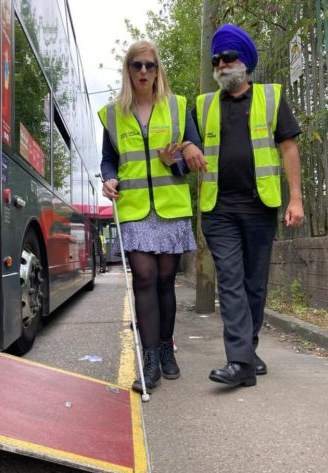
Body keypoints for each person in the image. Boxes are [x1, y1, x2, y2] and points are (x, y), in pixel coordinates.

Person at [195, 24, 304, 388]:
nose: (222, 64)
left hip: (260, 208)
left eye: (228, 57)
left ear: (244, 61)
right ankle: (239, 360)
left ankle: (249, 350)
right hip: (219, 209)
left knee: (254, 285)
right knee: (230, 283)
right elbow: (186, 147)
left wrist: (296, 199)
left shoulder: (270, 97)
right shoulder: (204, 104)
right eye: (217, 59)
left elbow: (289, 147)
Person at [99, 40, 206, 393]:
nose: (144, 71)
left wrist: (173, 159)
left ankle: (165, 349)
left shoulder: (177, 106)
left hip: (170, 206)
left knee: (164, 279)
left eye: (150, 65)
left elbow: (194, 155)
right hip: (134, 209)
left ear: (158, 70)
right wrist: (109, 177)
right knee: (143, 277)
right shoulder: (113, 113)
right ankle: (148, 358)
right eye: (136, 65)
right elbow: (108, 159)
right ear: (127, 71)